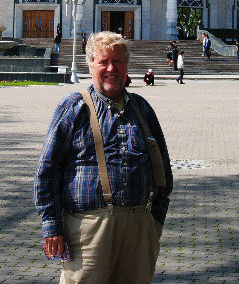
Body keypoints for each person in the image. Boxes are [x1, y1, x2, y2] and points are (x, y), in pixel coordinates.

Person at [34, 31, 173, 284]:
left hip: (139, 228)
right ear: (91, 65)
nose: (112, 69)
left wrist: (155, 222)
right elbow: (47, 171)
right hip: (88, 233)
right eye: (103, 62)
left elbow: (163, 169)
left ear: (126, 66)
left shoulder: (142, 109)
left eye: (118, 62)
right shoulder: (74, 108)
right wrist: (52, 226)